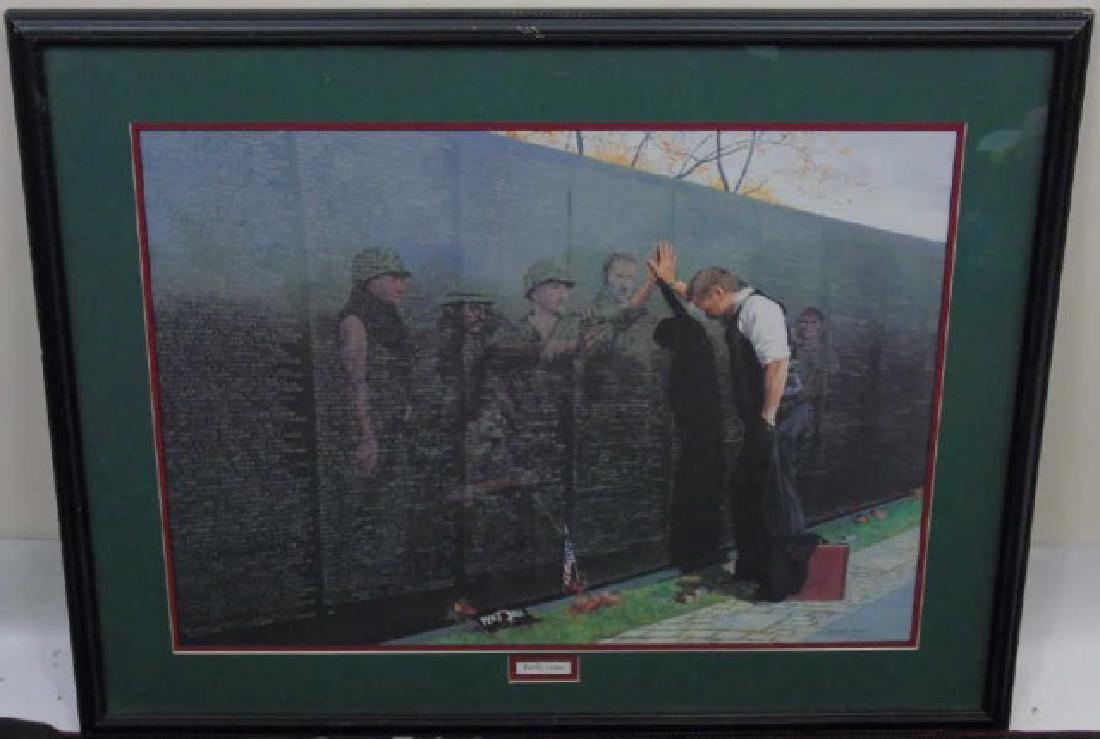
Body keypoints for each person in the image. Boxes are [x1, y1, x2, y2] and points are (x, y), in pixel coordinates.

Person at [648, 242, 819, 602]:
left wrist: (766, 424)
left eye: (705, 305)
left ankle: (783, 580)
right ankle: (754, 570)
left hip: (781, 416)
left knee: (775, 499)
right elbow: (693, 296)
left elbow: (776, 365)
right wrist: (669, 282)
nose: (703, 313)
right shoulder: (734, 306)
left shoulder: (760, 310)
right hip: (766, 419)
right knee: (744, 491)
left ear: (719, 292)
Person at [338, 247, 414, 478]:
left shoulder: (389, 319)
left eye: (402, 279)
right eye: (394, 278)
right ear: (371, 281)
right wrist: (366, 436)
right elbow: (355, 382)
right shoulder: (354, 322)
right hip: (371, 429)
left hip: (393, 423)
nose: (402, 286)